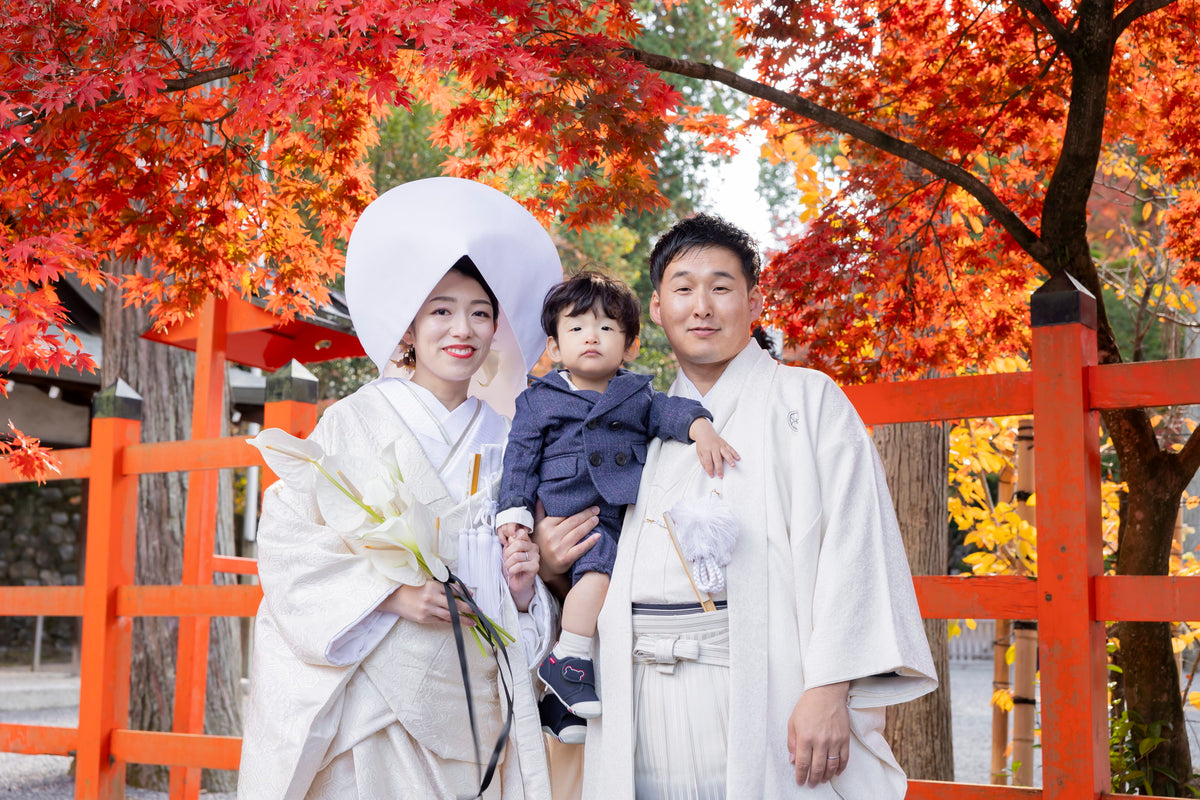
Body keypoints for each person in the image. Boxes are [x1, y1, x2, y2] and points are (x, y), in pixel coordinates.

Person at [535, 214, 938, 799]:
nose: (702, 306)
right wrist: (551, 562)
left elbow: (856, 547)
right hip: (635, 690)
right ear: (655, 308)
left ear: (752, 300)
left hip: (767, 686)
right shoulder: (627, 414)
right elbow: (585, 539)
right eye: (683, 288)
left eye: (721, 287)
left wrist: (829, 688)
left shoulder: (807, 400)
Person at [237, 177, 564, 800]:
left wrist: (522, 589)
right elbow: (290, 539)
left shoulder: (509, 438)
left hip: (470, 689)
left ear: (497, 329)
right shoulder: (354, 419)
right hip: (370, 686)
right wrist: (389, 594)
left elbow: (530, 580)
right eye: (440, 310)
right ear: (408, 329)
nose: (460, 328)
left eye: (480, 312)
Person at [496, 272, 738, 741]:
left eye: (607, 328)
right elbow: (520, 460)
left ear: (629, 346)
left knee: (615, 607)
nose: (592, 336)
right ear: (554, 347)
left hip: (620, 516)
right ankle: (569, 656)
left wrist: (700, 426)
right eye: (578, 327)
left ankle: (561, 703)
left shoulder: (637, 395)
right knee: (598, 577)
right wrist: (515, 516)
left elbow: (671, 412)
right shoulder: (538, 401)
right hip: (566, 511)